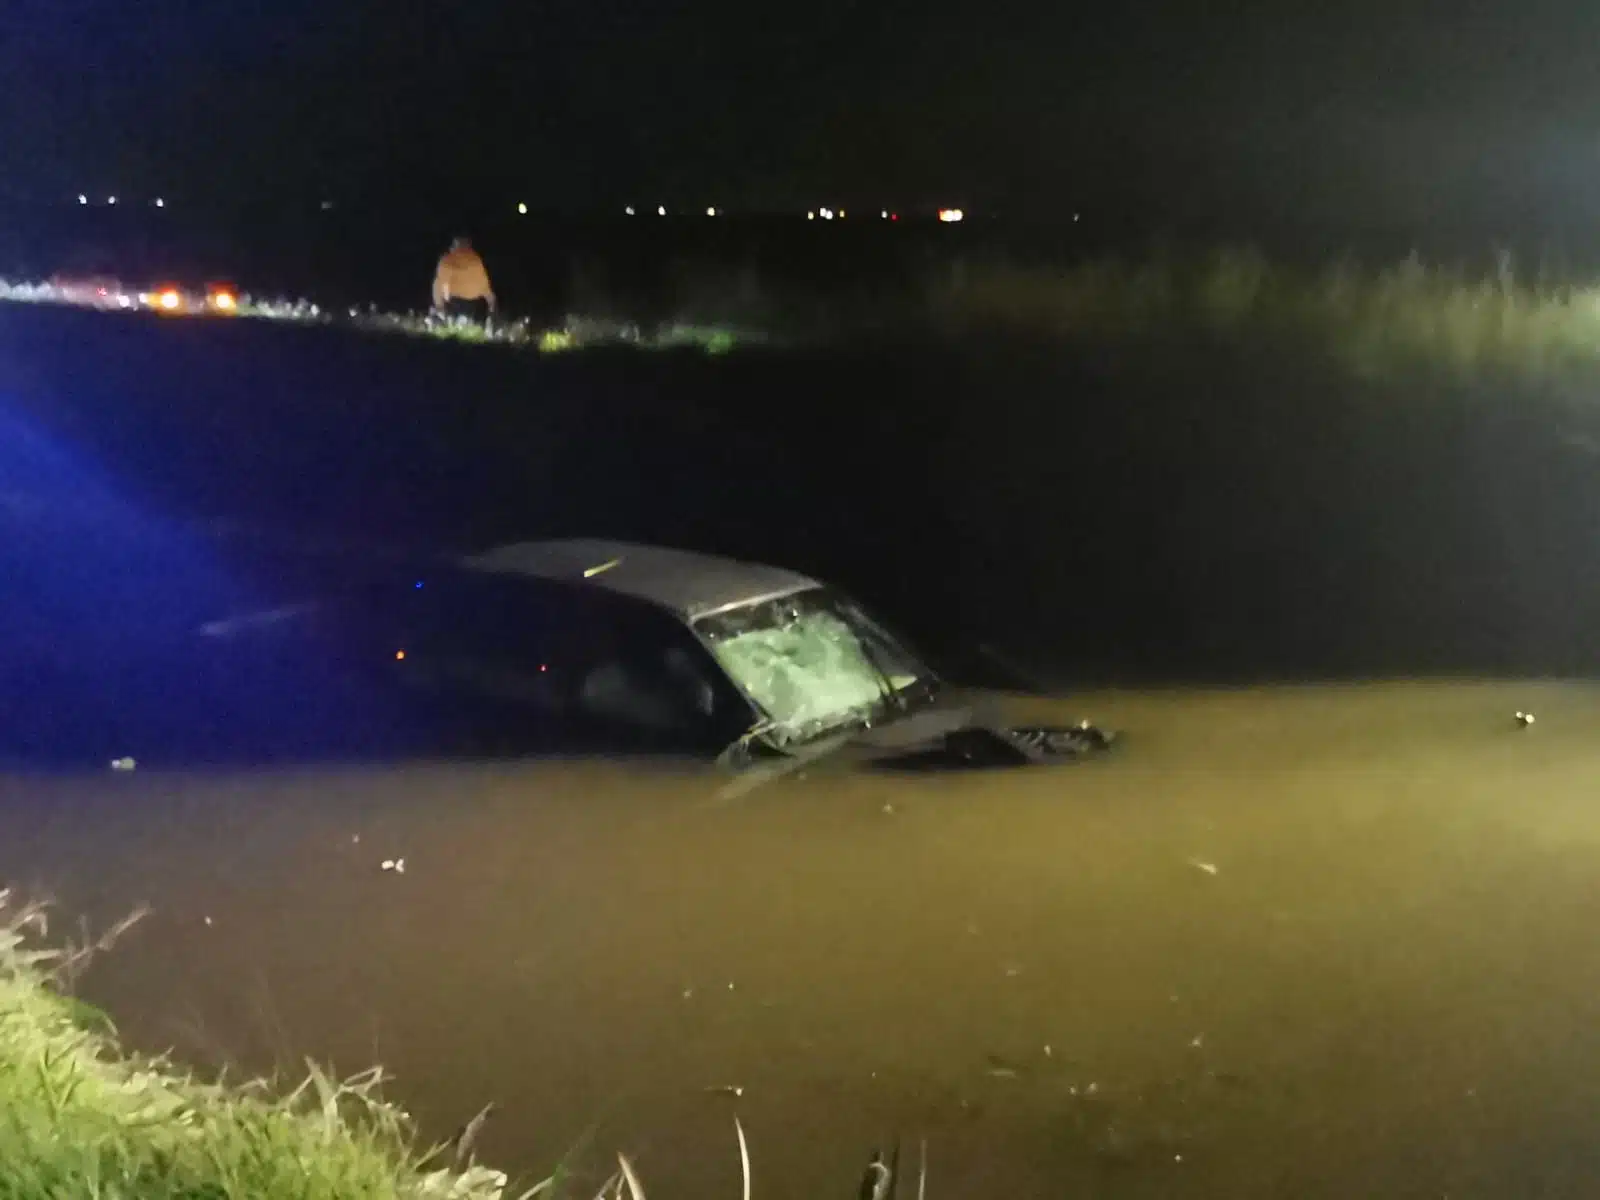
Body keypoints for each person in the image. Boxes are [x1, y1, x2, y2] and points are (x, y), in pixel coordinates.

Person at [432, 236, 496, 321]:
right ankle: (491, 318)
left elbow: (444, 285)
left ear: (455, 246)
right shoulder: (477, 259)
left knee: (437, 282)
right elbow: (487, 291)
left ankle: (441, 315)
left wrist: (445, 302)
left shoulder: (448, 260)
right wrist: (492, 307)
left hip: (456, 301)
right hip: (475, 301)